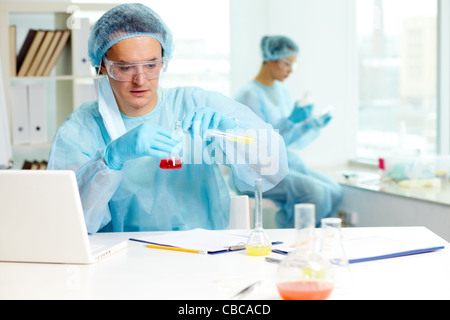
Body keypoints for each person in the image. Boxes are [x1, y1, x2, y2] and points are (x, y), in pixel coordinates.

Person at [47, 4, 288, 234]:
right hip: (121, 260)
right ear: (102, 66)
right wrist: (110, 160)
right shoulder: (82, 128)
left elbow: (272, 168)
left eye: (151, 64)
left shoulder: (193, 103)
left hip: (203, 253)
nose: (140, 80)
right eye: (125, 67)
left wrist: (232, 132)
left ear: (164, 60)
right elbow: (64, 221)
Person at [233, 35, 342, 227]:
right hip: (257, 170)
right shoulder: (249, 94)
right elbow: (259, 145)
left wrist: (311, 125)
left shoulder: (281, 91)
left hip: (282, 163)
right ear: (270, 58)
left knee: (334, 189)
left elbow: (286, 141)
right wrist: (290, 122)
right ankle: (293, 244)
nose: (291, 71)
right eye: (287, 63)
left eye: (294, 65)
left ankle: (315, 242)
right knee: (315, 192)